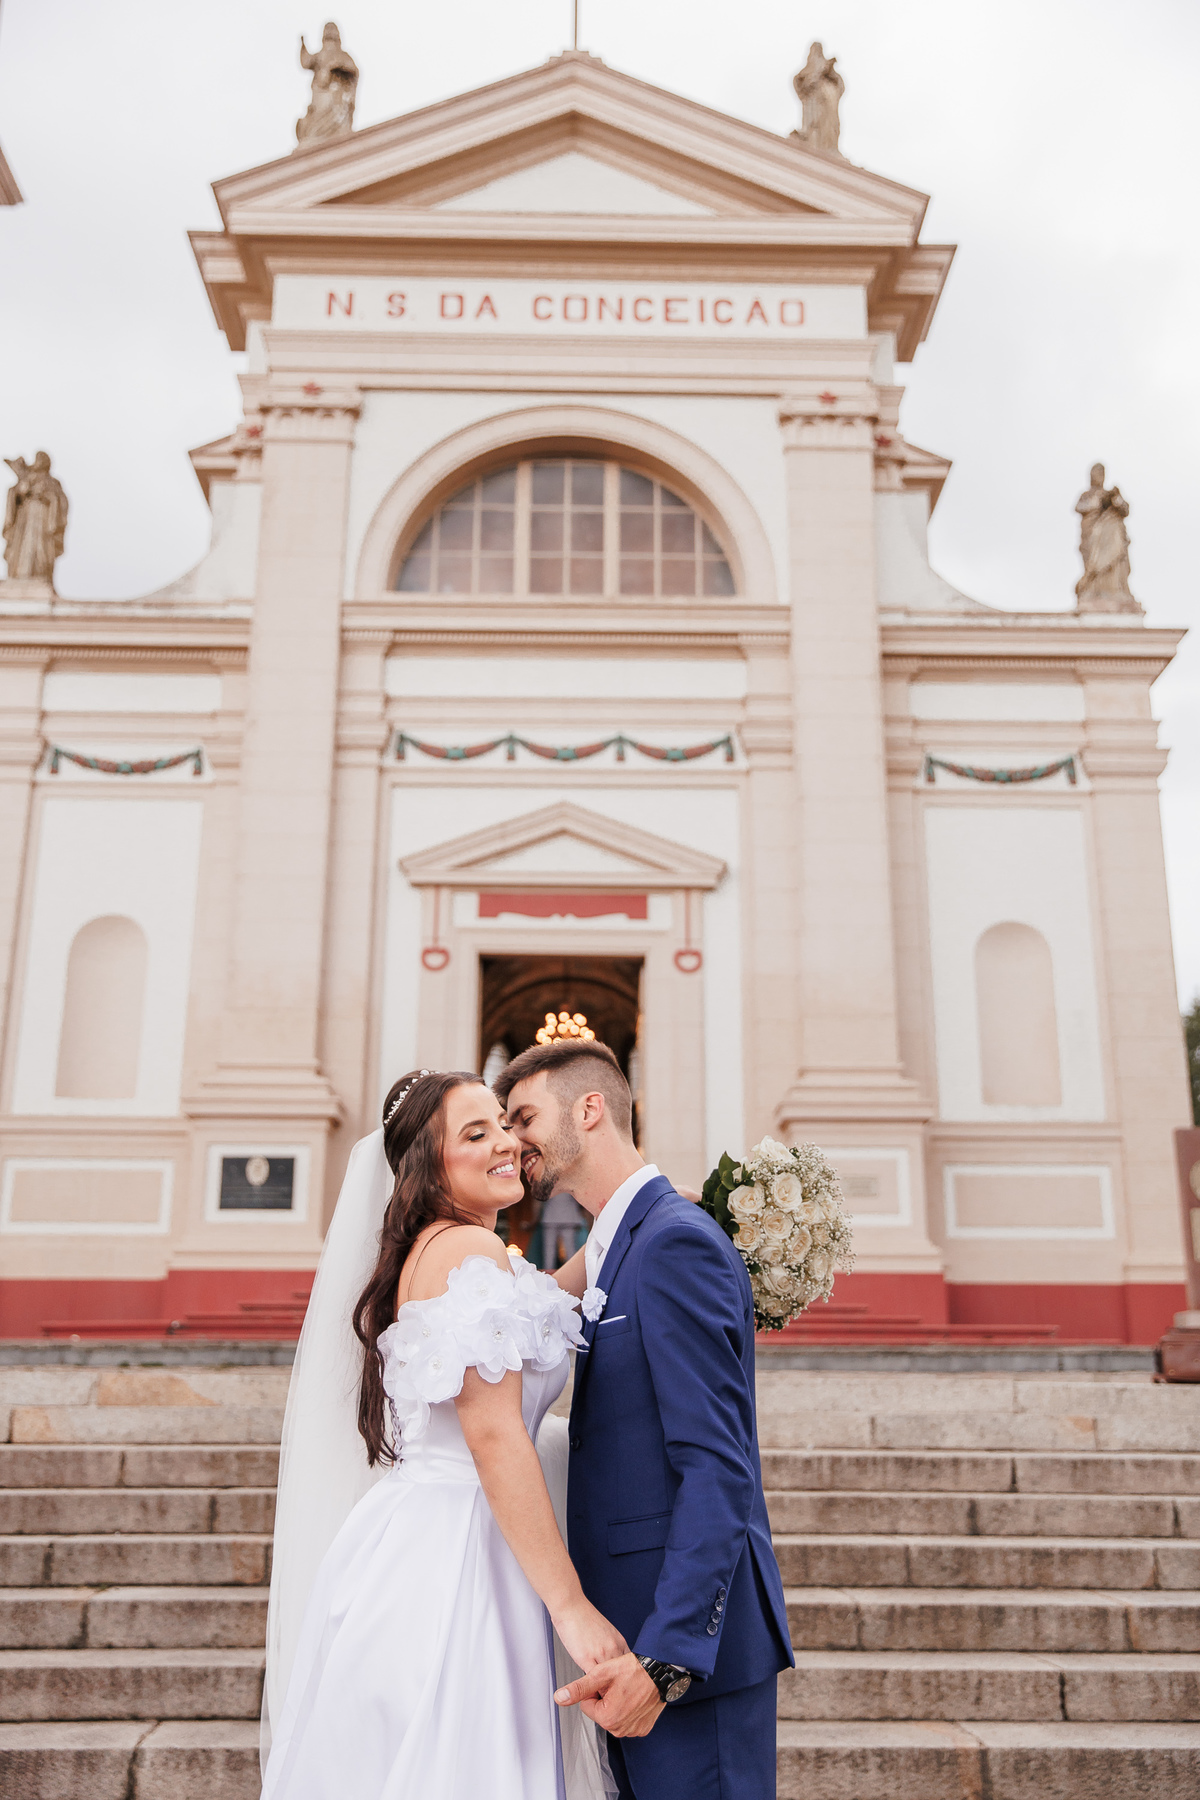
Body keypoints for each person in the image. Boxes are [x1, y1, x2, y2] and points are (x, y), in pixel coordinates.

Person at [261, 1068, 623, 1799]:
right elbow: (494, 1437)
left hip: (416, 1537)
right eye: (475, 1133)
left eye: (504, 1124)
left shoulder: (445, 1249)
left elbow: (543, 1300)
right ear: (429, 1166)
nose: (506, 1143)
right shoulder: (468, 1254)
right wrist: (570, 1606)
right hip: (464, 1552)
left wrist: (633, 1211)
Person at [497, 1040, 794, 1800]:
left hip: (683, 1661)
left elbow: (718, 1465)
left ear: (590, 1109)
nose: (512, 1140)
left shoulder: (672, 1243)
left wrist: (667, 1662)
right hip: (626, 1644)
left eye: (524, 1117)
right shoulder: (622, 1241)